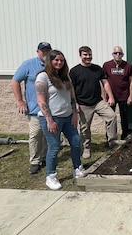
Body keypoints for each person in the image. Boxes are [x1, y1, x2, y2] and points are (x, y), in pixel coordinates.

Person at [35, 50, 85, 190]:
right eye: (56, 60)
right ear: (50, 61)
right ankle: (51, 176)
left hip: (68, 116)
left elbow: (72, 94)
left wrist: (74, 112)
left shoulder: (65, 76)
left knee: (75, 142)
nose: (59, 62)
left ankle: (77, 168)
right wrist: (49, 120)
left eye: (61, 60)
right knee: (54, 147)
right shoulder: (43, 77)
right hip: (52, 118)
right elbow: (41, 101)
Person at [70, 46, 125, 159]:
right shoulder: (74, 71)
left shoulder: (97, 69)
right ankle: (87, 148)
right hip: (83, 104)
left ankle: (113, 142)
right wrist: (75, 103)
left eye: (89, 54)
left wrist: (110, 97)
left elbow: (105, 83)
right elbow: (71, 89)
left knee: (112, 117)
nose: (88, 57)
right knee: (85, 127)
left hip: (98, 102)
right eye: (85, 55)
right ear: (80, 56)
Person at [11, 42, 52, 174]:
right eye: (42, 51)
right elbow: (15, 81)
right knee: (35, 135)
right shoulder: (28, 64)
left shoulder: (54, 64)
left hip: (51, 108)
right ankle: (35, 161)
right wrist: (19, 101)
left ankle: (45, 156)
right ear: (38, 52)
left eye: (47, 50)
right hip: (35, 108)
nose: (45, 53)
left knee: (48, 133)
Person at [102, 46, 132, 140]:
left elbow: (131, 81)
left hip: (124, 95)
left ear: (122, 55)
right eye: (116, 53)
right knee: (109, 118)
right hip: (110, 96)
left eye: (120, 53)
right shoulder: (106, 65)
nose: (118, 55)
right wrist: (104, 95)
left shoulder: (128, 66)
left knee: (124, 117)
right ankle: (110, 138)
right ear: (112, 54)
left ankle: (124, 136)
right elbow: (103, 81)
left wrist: (131, 96)